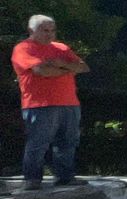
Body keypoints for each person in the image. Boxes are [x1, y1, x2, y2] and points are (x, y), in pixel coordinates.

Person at [11, 15, 89, 190]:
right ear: (31, 30)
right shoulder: (23, 48)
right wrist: (68, 69)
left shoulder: (61, 48)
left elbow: (83, 67)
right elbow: (41, 71)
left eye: (52, 30)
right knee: (38, 143)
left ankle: (65, 177)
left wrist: (60, 64)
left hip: (69, 102)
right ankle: (32, 179)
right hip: (40, 104)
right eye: (45, 30)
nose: (50, 34)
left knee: (68, 142)